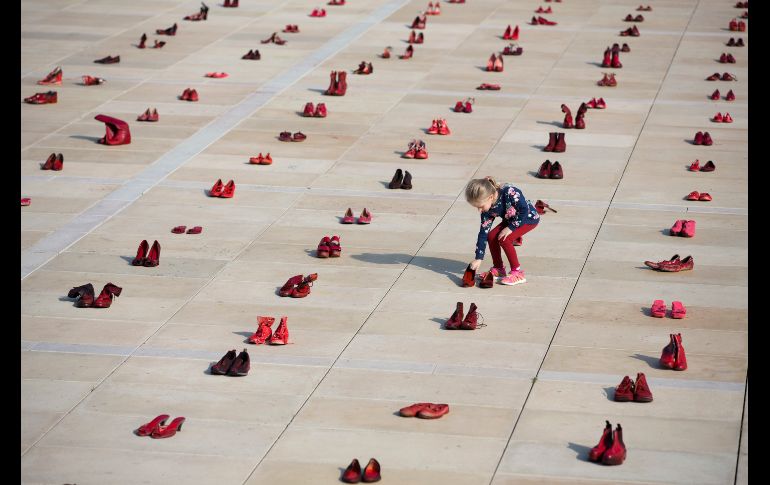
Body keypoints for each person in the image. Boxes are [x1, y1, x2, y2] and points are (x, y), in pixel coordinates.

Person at [465, 177, 539, 285]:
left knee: (505, 239)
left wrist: (510, 228)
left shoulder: (509, 192)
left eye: (480, 206)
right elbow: (483, 233)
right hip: (511, 219)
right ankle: (499, 269)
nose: (480, 210)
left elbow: (524, 210)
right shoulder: (487, 208)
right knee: (491, 236)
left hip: (528, 218)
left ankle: (517, 273)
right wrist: (478, 258)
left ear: (490, 197)